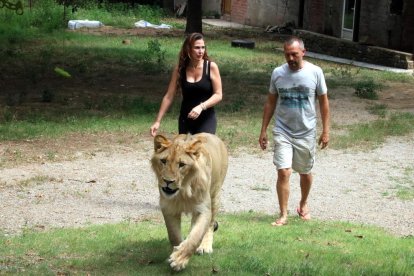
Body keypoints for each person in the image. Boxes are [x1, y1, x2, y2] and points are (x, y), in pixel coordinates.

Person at [258, 36, 330, 226]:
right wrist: (263, 130)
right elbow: (271, 101)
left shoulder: (315, 72)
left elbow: (323, 102)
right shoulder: (278, 74)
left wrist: (326, 131)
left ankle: (303, 203)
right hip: (283, 130)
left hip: (306, 131)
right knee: (284, 172)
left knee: (305, 172)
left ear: (303, 53)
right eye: (287, 54)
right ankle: (283, 214)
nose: (290, 58)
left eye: (294, 54)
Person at [150, 32, 223, 137]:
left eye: (203, 47)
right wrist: (157, 121)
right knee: (184, 151)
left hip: (206, 118)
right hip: (186, 118)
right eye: (197, 48)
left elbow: (218, 95)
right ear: (188, 49)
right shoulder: (180, 69)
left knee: (202, 149)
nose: (201, 51)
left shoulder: (211, 67)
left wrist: (201, 107)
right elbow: (169, 96)